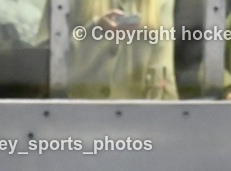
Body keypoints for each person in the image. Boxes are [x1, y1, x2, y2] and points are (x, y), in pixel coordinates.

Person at [37, 0, 178, 99]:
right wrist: (94, 33)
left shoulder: (160, 2)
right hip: (73, 119)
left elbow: (164, 75)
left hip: (136, 124)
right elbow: (41, 69)